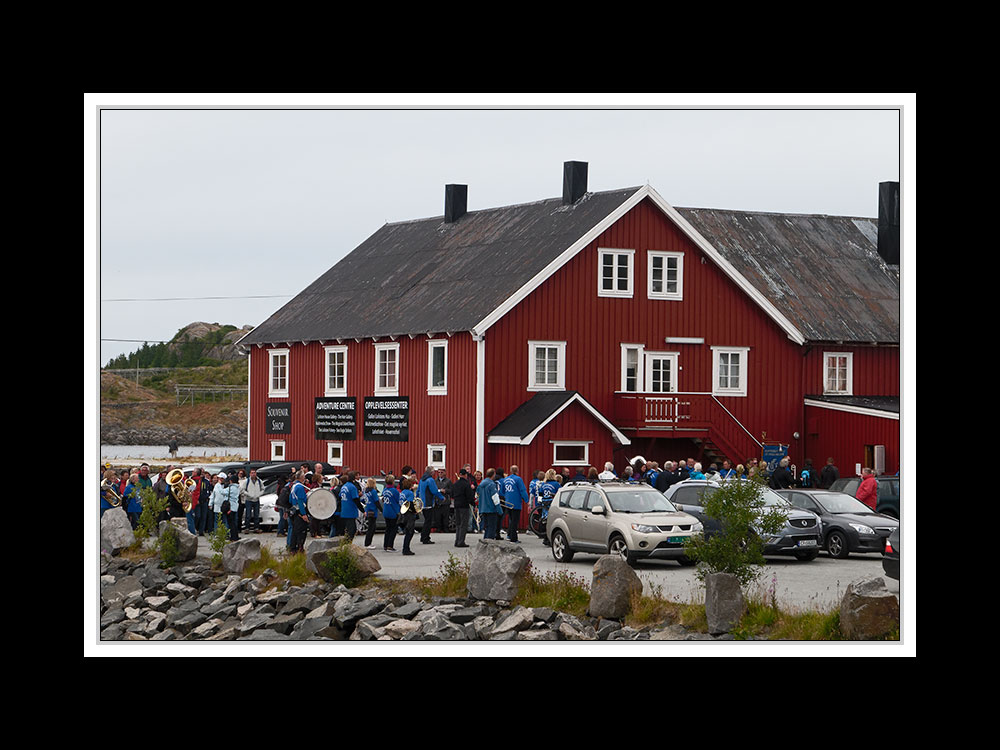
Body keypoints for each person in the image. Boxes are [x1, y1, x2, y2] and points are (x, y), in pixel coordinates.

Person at [500, 465, 528, 543]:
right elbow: (522, 490)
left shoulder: (505, 479)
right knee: (514, 521)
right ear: (517, 471)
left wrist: (506, 496)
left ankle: (509, 535)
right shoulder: (518, 479)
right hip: (516, 503)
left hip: (508, 502)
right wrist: (526, 499)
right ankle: (513, 538)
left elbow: (502, 491)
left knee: (511, 519)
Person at [417, 466, 445, 544]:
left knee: (426, 520)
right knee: (428, 521)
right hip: (428, 503)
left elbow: (418, 490)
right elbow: (434, 491)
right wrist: (441, 497)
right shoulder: (430, 480)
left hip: (422, 503)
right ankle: (426, 538)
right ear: (431, 472)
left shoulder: (422, 480)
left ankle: (423, 537)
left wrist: (417, 499)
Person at [451, 468, 476, 547]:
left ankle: (457, 541)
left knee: (458, 524)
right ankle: (461, 541)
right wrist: (473, 504)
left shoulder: (455, 484)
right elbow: (470, 496)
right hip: (464, 506)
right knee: (463, 524)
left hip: (456, 505)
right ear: (465, 475)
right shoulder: (466, 484)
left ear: (459, 475)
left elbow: (451, 494)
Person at [338, 470, 364, 542]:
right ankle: (347, 544)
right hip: (350, 511)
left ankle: (347, 543)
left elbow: (339, 497)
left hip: (344, 510)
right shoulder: (352, 487)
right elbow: (356, 499)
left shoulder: (344, 486)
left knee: (349, 529)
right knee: (351, 530)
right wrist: (362, 510)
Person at [288, 471, 311, 552]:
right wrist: (304, 514)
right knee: (301, 531)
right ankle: (300, 548)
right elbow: (300, 501)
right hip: (300, 510)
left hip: (294, 510)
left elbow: (290, 499)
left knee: (295, 531)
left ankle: (292, 548)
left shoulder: (293, 486)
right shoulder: (300, 487)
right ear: (301, 478)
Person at [476, 468, 502, 540]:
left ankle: (485, 542)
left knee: (486, 526)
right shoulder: (492, 484)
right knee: (492, 527)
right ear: (493, 474)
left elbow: (477, 495)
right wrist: (499, 509)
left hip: (483, 508)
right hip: (491, 508)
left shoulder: (481, 484)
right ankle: (489, 543)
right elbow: (495, 498)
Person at [380, 475, 401, 551]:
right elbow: (398, 501)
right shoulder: (395, 491)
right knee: (393, 529)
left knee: (388, 529)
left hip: (386, 511)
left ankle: (385, 545)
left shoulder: (385, 490)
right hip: (393, 511)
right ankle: (390, 546)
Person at [241, 468, 265, 533]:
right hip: (249, 500)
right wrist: (248, 494)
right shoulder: (247, 481)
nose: (253, 474)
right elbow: (243, 490)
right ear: (250, 474)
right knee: (248, 515)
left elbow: (263, 489)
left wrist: (259, 494)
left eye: (254, 473)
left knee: (256, 515)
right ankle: (247, 528)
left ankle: (256, 528)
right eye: (252, 473)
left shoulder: (259, 481)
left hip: (256, 500)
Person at [399, 476, 418, 555]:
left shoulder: (402, 492)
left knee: (407, 531)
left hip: (402, 513)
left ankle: (405, 548)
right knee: (410, 532)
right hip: (409, 514)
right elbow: (410, 504)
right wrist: (415, 511)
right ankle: (406, 549)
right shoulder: (410, 493)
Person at [362, 477, 381, 549]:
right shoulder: (373, 491)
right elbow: (376, 501)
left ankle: (368, 542)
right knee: (371, 528)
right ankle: (368, 543)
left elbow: (363, 500)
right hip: (373, 510)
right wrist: (381, 510)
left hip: (368, 509)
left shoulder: (365, 491)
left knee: (371, 526)